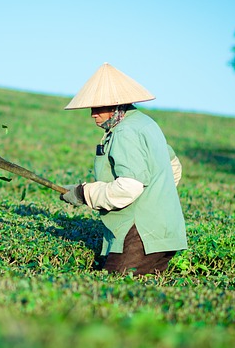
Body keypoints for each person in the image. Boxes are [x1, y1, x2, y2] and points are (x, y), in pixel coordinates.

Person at [60, 62, 187, 276]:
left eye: (98, 107)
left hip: (141, 235)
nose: (92, 114)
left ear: (115, 104)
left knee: (113, 289)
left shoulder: (125, 132)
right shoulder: (146, 124)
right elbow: (172, 166)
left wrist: (84, 193)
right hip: (163, 231)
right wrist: (155, 200)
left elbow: (129, 186)